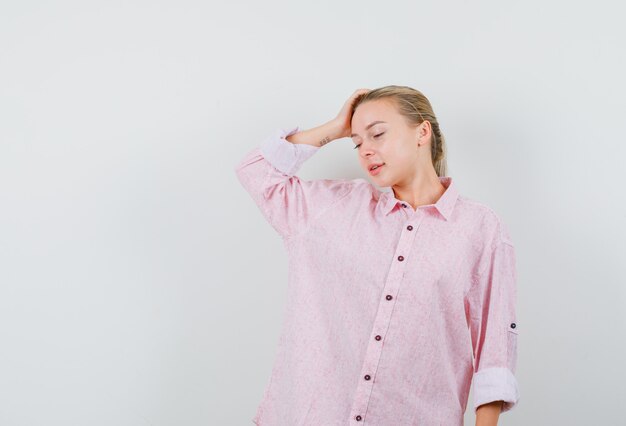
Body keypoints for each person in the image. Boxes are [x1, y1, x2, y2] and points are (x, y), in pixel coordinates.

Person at [234, 85, 520, 426]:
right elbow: (255, 171)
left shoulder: (479, 228)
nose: (365, 151)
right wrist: (334, 128)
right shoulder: (333, 208)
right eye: (357, 143)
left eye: (378, 134)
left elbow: (494, 349)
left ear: (422, 132)